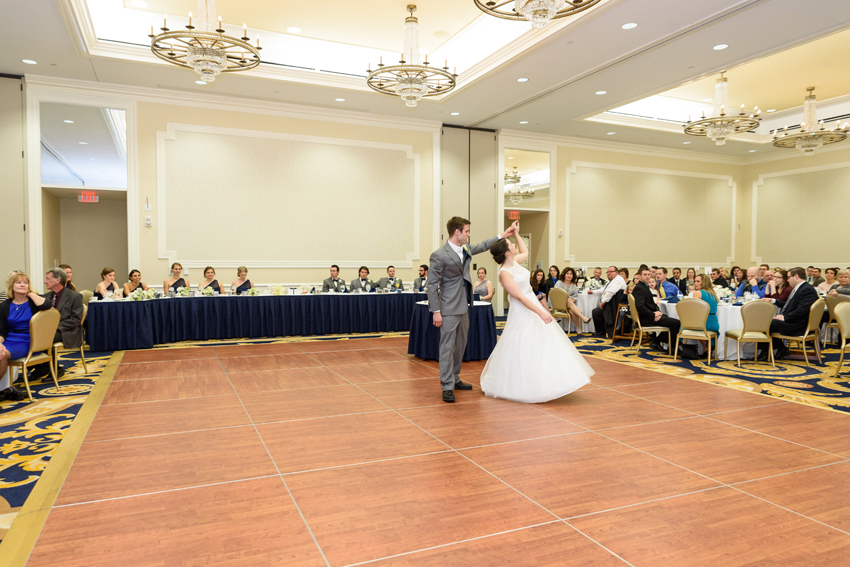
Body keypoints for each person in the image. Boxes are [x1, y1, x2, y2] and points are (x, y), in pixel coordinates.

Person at [479, 226, 593, 403]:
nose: (515, 246)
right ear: (507, 253)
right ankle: (524, 383)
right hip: (522, 308)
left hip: (531, 302)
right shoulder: (504, 273)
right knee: (523, 341)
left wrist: (516, 233)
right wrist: (541, 311)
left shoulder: (515, 261)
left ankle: (551, 379)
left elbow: (525, 250)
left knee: (543, 340)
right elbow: (518, 296)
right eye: (512, 245)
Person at [427, 216, 511, 403]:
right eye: (466, 231)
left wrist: (502, 235)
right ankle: (447, 385)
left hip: (464, 305)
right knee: (447, 348)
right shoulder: (439, 255)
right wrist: (436, 311)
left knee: (460, 346)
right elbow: (431, 285)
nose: (468, 235)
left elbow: (482, 245)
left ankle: (455, 378)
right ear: (457, 232)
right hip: (448, 307)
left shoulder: (465, 249)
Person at [0, 272, 50, 400]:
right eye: (18, 282)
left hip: (29, 340)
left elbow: (48, 305)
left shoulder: (33, 302)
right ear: (12, 286)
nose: (22, 284)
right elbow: (2, 330)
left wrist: (30, 293)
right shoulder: (5, 305)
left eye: (25, 282)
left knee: (2, 354)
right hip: (10, 338)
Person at [760, 267, 818, 360]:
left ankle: (774, 350)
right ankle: (773, 350)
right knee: (764, 322)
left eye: (788, 277)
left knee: (764, 324)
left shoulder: (807, 290)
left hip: (798, 325)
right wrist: (774, 300)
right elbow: (789, 305)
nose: (787, 280)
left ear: (796, 276)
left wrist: (784, 317)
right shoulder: (800, 288)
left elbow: (802, 310)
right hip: (794, 321)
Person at [38, 268, 84, 379]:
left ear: (57, 280)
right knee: (32, 337)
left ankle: (54, 369)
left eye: (47, 279)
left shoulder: (75, 296)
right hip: (49, 330)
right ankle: (41, 367)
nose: (45, 281)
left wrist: (54, 328)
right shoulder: (46, 297)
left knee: (45, 338)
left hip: (68, 331)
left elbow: (76, 320)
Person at [632, 266, 681, 351]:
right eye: (645, 275)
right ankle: (672, 348)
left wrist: (658, 312)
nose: (647, 276)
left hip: (648, 316)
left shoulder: (644, 286)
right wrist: (653, 314)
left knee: (669, 319)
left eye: (648, 274)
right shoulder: (639, 288)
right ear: (639, 276)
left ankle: (657, 342)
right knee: (676, 323)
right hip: (646, 318)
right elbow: (640, 306)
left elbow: (651, 304)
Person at [590, 266, 627, 338]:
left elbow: (611, 292)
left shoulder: (618, 280)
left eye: (611, 272)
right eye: (607, 272)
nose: (608, 274)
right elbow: (604, 290)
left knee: (596, 312)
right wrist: (592, 291)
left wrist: (603, 302)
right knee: (596, 312)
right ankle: (601, 331)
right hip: (611, 304)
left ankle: (603, 331)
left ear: (616, 272)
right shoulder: (612, 281)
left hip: (615, 306)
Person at [690, 273, 719, 357]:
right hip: (713, 323)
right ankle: (706, 347)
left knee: (684, 324)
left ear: (704, 283)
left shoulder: (697, 293)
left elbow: (693, 309)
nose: (695, 283)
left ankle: (677, 346)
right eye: (695, 281)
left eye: (698, 281)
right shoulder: (713, 294)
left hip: (703, 323)